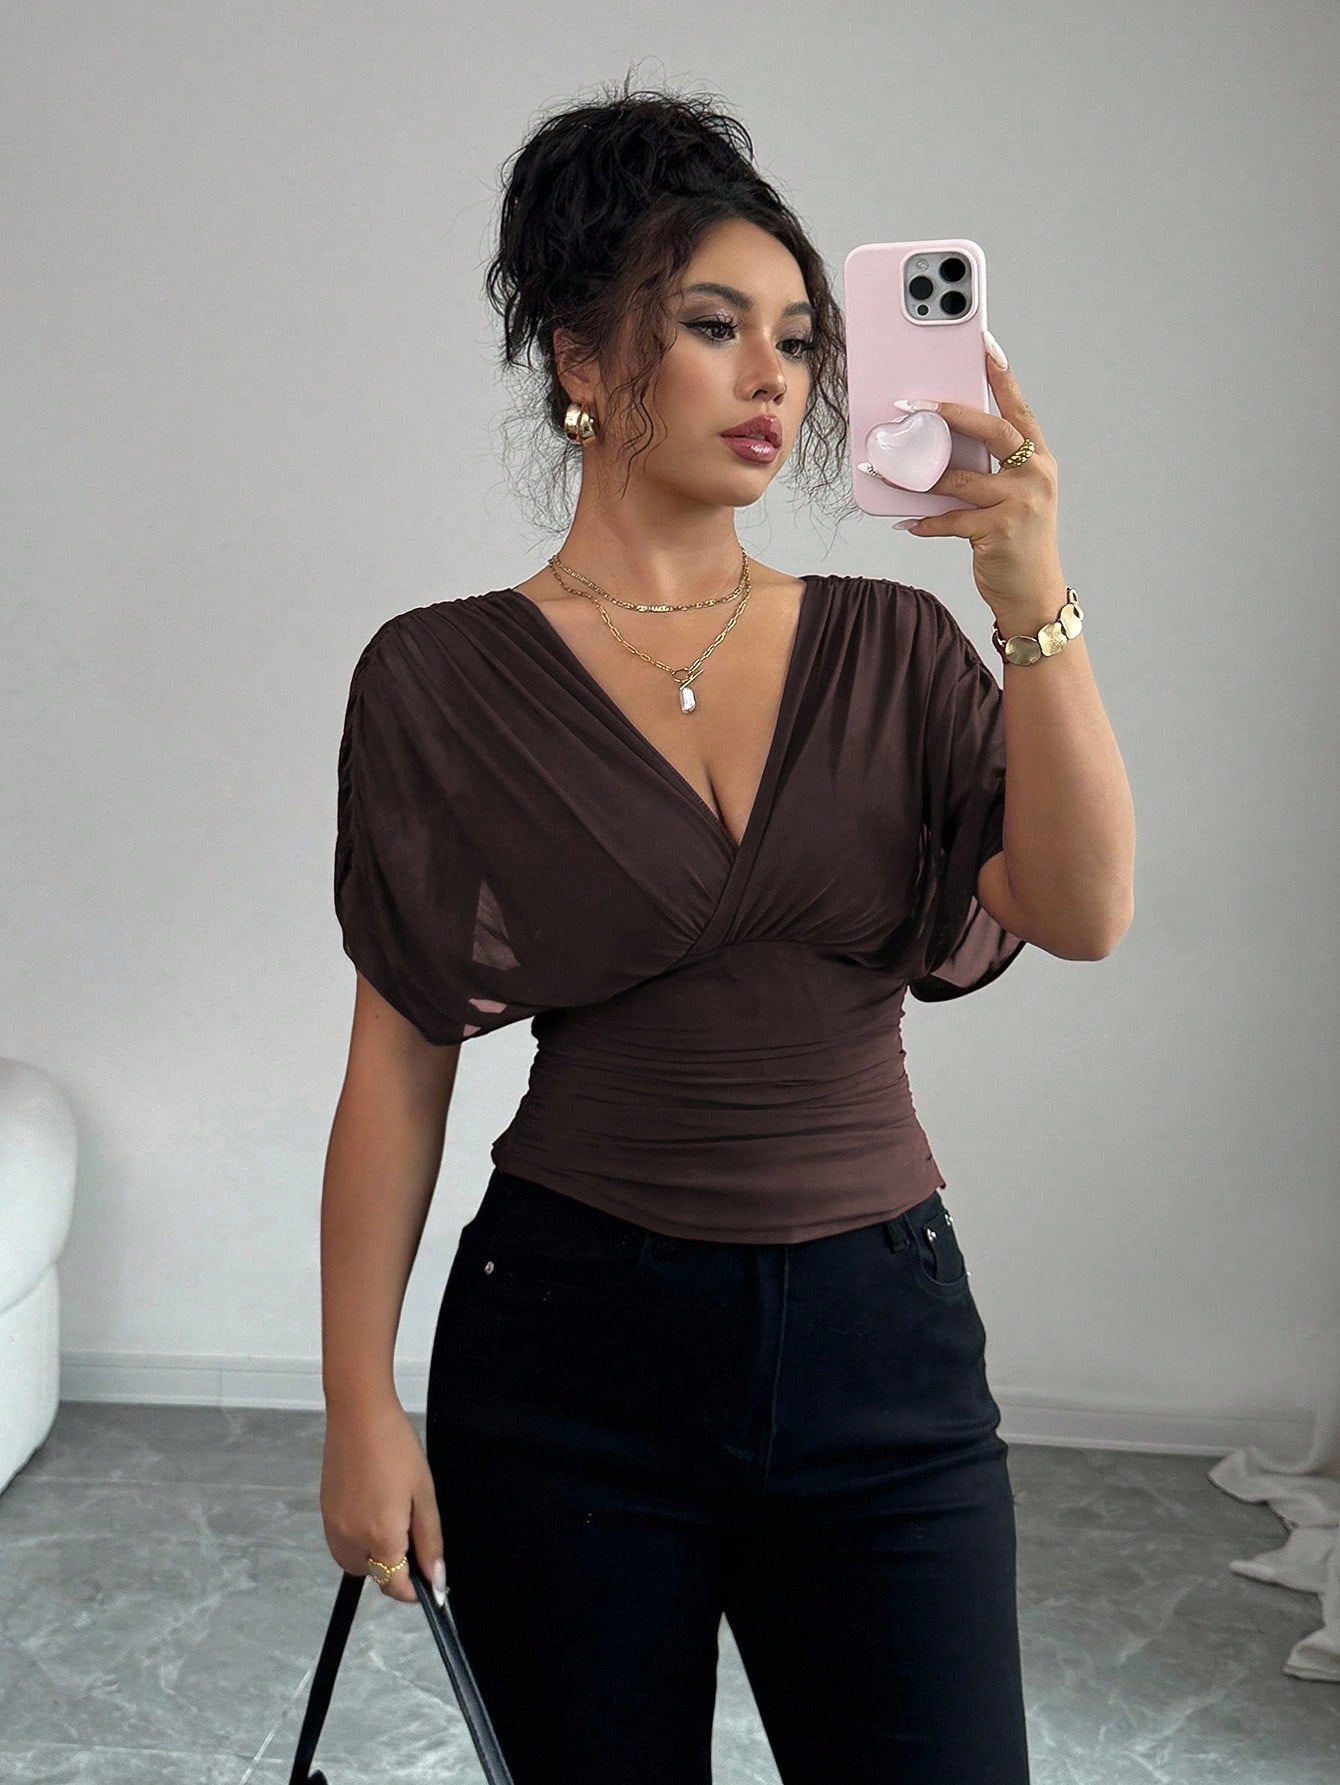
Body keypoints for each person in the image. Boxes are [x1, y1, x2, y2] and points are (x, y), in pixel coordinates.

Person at [319, 73, 1111, 1785]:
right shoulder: (441, 677)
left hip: (883, 1350)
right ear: (580, 361)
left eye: (802, 341)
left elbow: (1086, 908)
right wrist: (360, 1403)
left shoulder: (897, 649)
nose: (775, 377)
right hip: (568, 1356)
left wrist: (1032, 593)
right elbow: (397, 1065)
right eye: (714, 325)